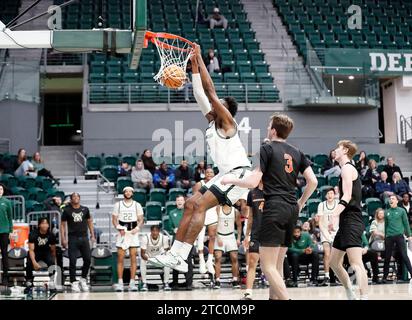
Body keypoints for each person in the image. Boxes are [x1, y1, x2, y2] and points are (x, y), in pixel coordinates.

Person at [148, 44, 252, 274]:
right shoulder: (212, 122)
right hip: (226, 175)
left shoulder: (227, 121)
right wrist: (193, 65)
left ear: (226, 110)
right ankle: (176, 254)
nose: (214, 104)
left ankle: (181, 255)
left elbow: (210, 91)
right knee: (190, 204)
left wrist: (200, 59)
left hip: (239, 174)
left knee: (200, 206)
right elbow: (199, 94)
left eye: (219, 104)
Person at [220, 113, 318, 300]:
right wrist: (300, 202)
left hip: (274, 207)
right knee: (278, 265)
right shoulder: (297, 151)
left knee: (267, 266)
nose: (267, 129)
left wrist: (231, 179)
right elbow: (312, 181)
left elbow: (253, 181)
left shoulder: (265, 148)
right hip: (291, 209)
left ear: (273, 130)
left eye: (268, 126)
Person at [329, 140, 368, 300]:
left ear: (345, 150)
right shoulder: (345, 169)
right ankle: (349, 292)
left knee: (356, 263)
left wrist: (334, 214)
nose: (335, 151)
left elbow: (347, 195)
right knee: (333, 262)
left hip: (352, 220)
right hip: (347, 222)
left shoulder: (347, 168)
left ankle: (364, 297)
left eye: (338, 148)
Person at [61, 192, 95, 292]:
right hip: (72, 238)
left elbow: (89, 222)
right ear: (71, 199)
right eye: (73, 197)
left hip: (84, 237)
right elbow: (62, 225)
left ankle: (83, 279)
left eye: (77, 196)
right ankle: (73, 282)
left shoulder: (85, 209)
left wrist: (92, 235)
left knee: (88, 259)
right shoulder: (67, 210)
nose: (75, 198)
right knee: (72, 261)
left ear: (79, 198)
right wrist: (63, 238)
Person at [112, 186, 144, 292]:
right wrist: (118, 228)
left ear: (133, 193)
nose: (128, 193)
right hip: (122, 233)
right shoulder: (118, 205)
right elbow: (114, 219)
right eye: (126, 191)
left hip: (133, 232)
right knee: (120, 258)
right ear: (124, 192)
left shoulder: (137, 205)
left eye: (130, 191)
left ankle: (132, 282)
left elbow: (141, 219)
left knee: (133, 258)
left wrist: (138, 228)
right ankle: (120, 282)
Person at [192, 167, 218, 275]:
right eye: (207, 172)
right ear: (204, 174)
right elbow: (194, 198)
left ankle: (209, 260)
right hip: (202, 210)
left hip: (212, 210)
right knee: (201, 238)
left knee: (212, 236)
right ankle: (202, 260)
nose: (209, 174)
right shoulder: (199, 184)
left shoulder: (217, 183)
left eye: (211, 172)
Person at [242, 181, 264, 300]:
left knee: (270, 265)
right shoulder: (252, 193)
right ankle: (248, 292)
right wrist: (247, 235)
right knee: (252, 262)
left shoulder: (273, 190)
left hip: (270, 233)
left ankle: (277, 292)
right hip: (256, 233)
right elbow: (250, 216)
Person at [382, 195, 412, 283]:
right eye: (390, 199)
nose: (391, 200)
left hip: (399, 236)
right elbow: (385, 225)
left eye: (393, 199)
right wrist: (385, 235)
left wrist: (409, 235)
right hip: (389, 237)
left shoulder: (402, 211)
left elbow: (406, 223)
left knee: (404, 255)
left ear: (397, 201)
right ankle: (384, 277)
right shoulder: (386, 212)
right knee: (387, 257)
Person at [213, 204, 242, 289]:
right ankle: (217, 280)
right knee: (218, 257)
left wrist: (238, 238)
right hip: (219, 235)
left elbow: (239, 225)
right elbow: (214, 224)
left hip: (231, 236)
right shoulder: (218, 208)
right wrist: (217, 237)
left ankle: (235, 279)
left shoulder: (235, 211)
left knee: (234, 257)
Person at [25, 217, 57, 292]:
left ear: (49, 225)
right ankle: (29, 281)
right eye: (43, 223)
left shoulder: (51, 234)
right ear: (39, 225)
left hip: (46, 251)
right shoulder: (33, 234)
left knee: (51, 262)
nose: (45, 225)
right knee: (29, 262)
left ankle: (52, 282)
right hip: (35, 251)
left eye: (46, 223)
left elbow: (53, 250)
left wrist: (54, 261)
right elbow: (31, 250)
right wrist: (34, 262)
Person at [317, 187, 339, 286]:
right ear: (325, 196)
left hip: (337, 231)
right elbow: (320, 223)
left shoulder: (338, 204)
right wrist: (326, 235)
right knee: (327, 253)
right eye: (328, 194)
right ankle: (327, 276)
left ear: (334, 195)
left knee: (339, 255)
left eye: (331, 193)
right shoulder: (321, 205)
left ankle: (339, 275)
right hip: (325, 231)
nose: (330, 195)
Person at [140, 225, 171, 291]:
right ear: (151, 231)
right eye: (153, 231)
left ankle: (166, 283)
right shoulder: (145, 238)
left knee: (167, 261)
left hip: (160, 257)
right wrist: (150, 260)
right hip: (148, 257)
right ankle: (144, 283)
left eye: (156, 231)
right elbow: (142, 254)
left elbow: (167, 251)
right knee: (142, 261)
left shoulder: (164, 238)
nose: (155, 232)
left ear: (159, 232)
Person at [0, 183, 12, 285]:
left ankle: (5, 277)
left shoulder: (7, 202)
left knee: (4, 254)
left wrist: (10, 231)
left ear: (3, 191)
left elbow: (10, 218)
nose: (0, 191)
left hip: (4, 231)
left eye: (1, 189)